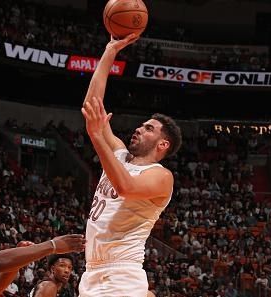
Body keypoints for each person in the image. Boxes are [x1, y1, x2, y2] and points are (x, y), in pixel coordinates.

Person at [79, 34, 182, 296]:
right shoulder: (121, 156)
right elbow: (93, 108)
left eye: (149, 129)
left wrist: (96, 136)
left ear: (162, 145)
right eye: (141, 125)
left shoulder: (161, 177)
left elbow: (125, 186)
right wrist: (110, 50)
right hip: (92, 271)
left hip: (121, 274)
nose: (138, 129)